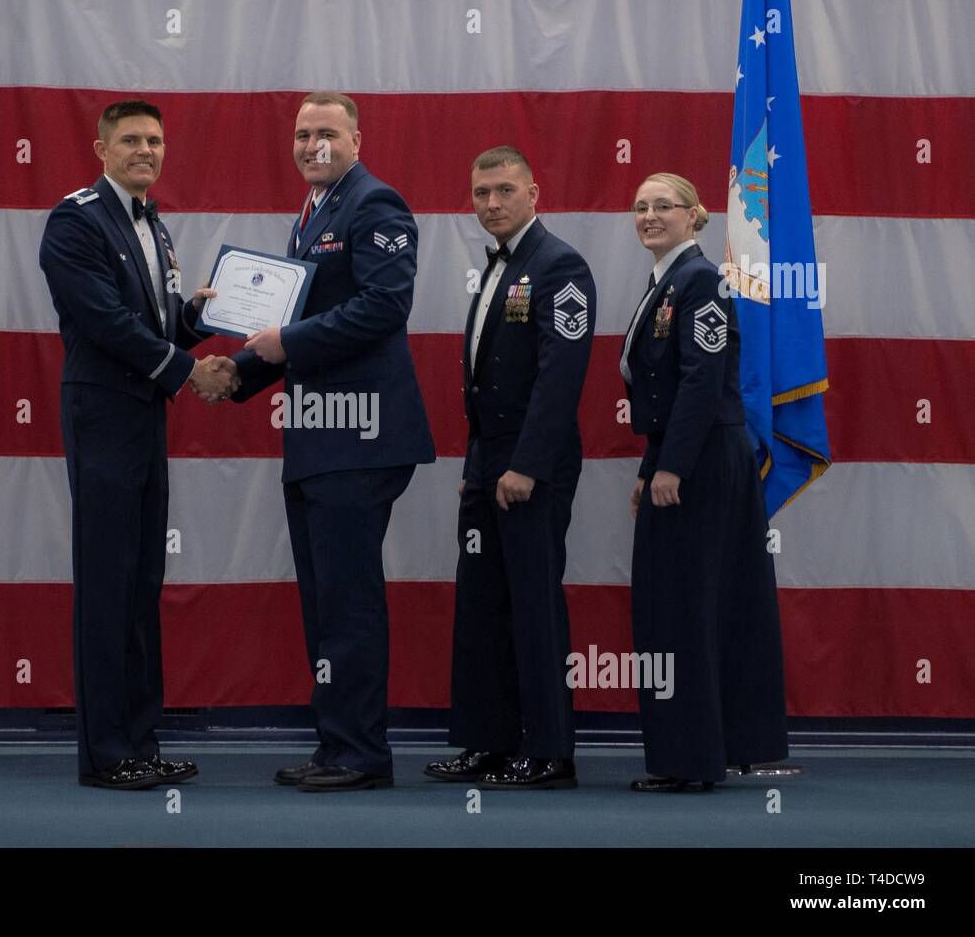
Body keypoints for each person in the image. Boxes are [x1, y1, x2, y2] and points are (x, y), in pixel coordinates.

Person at [187, 92, 434, 791]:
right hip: (319, 438)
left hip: (360, 435)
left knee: (348, 600)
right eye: (302, 133)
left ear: (356, 139)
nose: (312, 144)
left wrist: (283, 341)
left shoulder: (374, 204)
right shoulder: (316, 213)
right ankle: (337, 744)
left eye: (326, 132)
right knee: (326, 599)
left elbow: (384, 308)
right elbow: (301, 323)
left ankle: (361, 754)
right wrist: (236, 373)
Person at [39, 99, 237, 790]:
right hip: (103, 416)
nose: (145, 150)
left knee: (141, 582)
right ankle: (107, 754)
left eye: (154, 140)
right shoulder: (75, 220)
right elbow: (104, 320)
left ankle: (140, 740)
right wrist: (186, 369)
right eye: (130, 140)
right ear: (101, 149)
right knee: (107, 583)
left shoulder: (154, 223)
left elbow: (152, 322)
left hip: (146, 414)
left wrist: (195, 319)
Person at [423, 147, 596, 789]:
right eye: (480, 193)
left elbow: (560, 375)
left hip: (532, 466)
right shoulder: (499, 264)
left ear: (534, 193)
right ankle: (487, 742)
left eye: (503, 190)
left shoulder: (560, 265)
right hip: (487, 464)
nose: (490, 203)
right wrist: (478, 465)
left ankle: (549, 751)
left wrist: (524, 465)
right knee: (481, 606)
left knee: (531, 606)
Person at [621, 172, 788, 792]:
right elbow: (664, 393)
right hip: (681, 455)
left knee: (686, 608)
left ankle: (692, 761)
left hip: (705, 461)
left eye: (664, 205)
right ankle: (693, 751)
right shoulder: (665, 281)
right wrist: (650, 467)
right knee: (671, 606)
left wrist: (672, 466)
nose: (649, 215)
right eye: (640, 207)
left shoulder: (702, 281)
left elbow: (699, 379)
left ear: (697, 216)